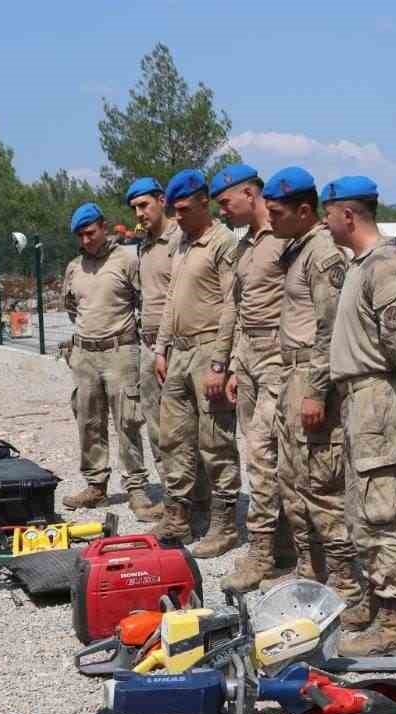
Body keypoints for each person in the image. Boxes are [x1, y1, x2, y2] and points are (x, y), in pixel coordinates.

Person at [321, 176, 396, 655]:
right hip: (359, 395)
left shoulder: (385, 266)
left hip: (377, 395)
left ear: (348, 215)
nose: (324, 220)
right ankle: (377, 601)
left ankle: (394, 628)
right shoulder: (362, 265)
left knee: (382, 507)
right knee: (363, 505)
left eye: (328, 212)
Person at [263, 167, 369, 625]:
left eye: (278, 213)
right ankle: (311, 571)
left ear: (305, 211)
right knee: (293, 480)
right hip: (292, 375)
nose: (270, 221)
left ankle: (345, 583)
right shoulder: (299, 248)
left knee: (322, 486)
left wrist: (317, 390)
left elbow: (330, 329)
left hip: (311, 377)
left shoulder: (324, 255)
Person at [211, 162, 297, 592]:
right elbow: (236, 309)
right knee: (257, 452)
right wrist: (229, 363)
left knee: (264, 456)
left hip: (281, 358)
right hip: (250, 358)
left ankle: (262, 551)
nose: (223, 211)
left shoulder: (288, 241)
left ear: (249, 194)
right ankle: (281, 550)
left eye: (226, 202)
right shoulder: (246, 247)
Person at [152, 169, 243, 557]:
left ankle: (224, 525)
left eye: (185, 209)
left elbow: (231, 305)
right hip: (178, 351)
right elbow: (172, 297)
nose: (178, 217)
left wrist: (221, 362)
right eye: (173, 210)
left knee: (215, 441)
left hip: (209, 350)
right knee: (174, 437)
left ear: (204, 202)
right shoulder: (183, 244)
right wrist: (160, 347)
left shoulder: (222, 242)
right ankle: (179, 514)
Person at [58, 201, 156, 519]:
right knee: (88, 420)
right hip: (85, 353)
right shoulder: (75, 267)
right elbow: (71, 306)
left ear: (102, 227)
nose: (86, 240)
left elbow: (145, 301)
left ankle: (137, 488)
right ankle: (96, 486)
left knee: (128, 419)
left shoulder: (127, 260)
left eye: (90, 232)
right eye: (80, 236)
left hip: (120, 351)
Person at [128, 176, 178, 479]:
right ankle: (173, 494)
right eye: (134, 208)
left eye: (144, 205)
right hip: (149, 347)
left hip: (177, 346)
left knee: (187, 426)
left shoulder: (181, 239)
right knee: (157, 425)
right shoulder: (143, 246)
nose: (139, 214)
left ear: (162, 200)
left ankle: (201, 498)